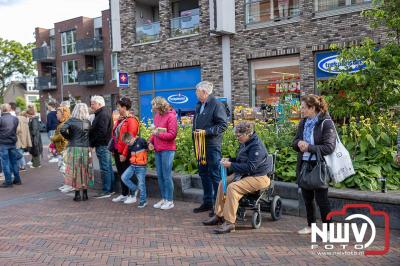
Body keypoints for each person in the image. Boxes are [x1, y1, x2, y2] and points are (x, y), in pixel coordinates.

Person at [202, 122, 272, 234]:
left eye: (239, 135)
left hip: (259, 177)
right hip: (245, 174)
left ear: (248, 133)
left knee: (233, 188)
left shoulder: (256, 146)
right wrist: (230, 160)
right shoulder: (245, 142)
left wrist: (231, 165)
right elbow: (241, 161)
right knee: (222, 183)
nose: (237, 137)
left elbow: (251, 167)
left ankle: (230, 223)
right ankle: (219, 215)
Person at [292, 94, 336, 235]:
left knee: (322, 200)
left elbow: (329, 147)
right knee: (307, 199)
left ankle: (328, 229)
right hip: (305, 164)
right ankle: (311, 226)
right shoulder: (303, 123)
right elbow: (295, 141)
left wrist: (309, 147)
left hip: (319, 165)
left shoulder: (326, 123)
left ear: (312, 108)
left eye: (304, 108)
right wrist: (298, 143)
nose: (301, 110)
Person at [192, 81, 228, 215]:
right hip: (199, 145)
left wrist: (206, 132)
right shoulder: (199, 105)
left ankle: (217, 205)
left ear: (204, 92)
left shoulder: (216, 104)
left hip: (212, 146)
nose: (196, 93)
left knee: (214, 174)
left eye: (197, 91)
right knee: (203, 173)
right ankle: (207, 202)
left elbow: (223, 125)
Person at [148, 97, 178, 210]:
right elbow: (154, 132)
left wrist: (158, 134)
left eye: (154, 106)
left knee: (166, 175)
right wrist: (150, 142)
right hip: (158, 149)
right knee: (160, 176)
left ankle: (170, 200)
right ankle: (164, 198)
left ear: (159, 106)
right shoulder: (157, 116)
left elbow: (172, 135)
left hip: (168, 150)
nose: (152, 108)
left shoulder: (171, 116)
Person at [60, 103, 93, 201]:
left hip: (74, 147)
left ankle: (77, 194)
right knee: (85, 170)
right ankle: (85, 194)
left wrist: (69, 137)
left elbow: (62, 129)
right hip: (85, 148)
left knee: (76, 171)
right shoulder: (87, 122)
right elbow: (88, 135)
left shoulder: (71, 120)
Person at [111, 97, 140, 204]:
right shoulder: (121, 119)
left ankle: (133, 195)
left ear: (124, 107)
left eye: (119, 107)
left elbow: (130, 139)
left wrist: (124, 153)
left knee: (128, 175)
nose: (117, 109)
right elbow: (115, 135)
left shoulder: (131, 120)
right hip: (118, 150)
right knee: (121, 173)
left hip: (126, 151)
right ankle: (124, 194)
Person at [89, 95, 115, 198]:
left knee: (105, 168)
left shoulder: (102, 114)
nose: (91, 106)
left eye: (93, 104)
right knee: (108, 167)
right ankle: (110, 189)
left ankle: (107, 190)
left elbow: (101, 132)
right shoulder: (103, 113)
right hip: (104, 144)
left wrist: (92, 143)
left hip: (103, 145)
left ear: (99, 104)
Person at [120, 132, 148, 208]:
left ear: (132, 138)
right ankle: (134, 188)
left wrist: (150, 146)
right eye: (126, 143)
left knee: (141, 184)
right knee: (124, 177)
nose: (128, 144)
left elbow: (149, 146)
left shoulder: (141, 141)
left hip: (141, 167)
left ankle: (143, 201)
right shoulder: (129, 145)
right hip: (132, 165)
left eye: (128, 142)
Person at [0, 103, 22, 187]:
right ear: (9, 109)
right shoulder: (15, 119)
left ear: (2, 109)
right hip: (12, 142)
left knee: (5, 163)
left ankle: (8, 182)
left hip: (3, 143)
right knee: (14, 162)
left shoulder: (1, 119)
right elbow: (15, 130)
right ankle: (17, 179)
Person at [51, 106, 71, 193]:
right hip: (62, 148)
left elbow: (62, 136)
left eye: (58, 113)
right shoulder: (62, 123)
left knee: (63, 167)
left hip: (64, 148)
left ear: (63, 114)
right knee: (62, 166)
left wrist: (53, 138)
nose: (56, 114)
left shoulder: (65, 123)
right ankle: (67, 184)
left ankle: (70, 185)